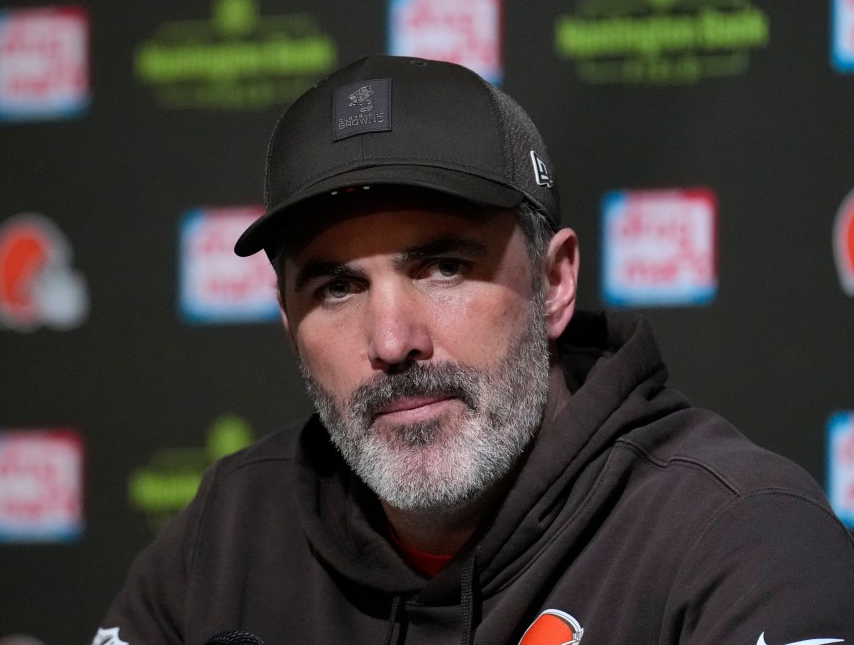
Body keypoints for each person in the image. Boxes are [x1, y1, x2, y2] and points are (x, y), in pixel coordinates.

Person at [94, 55, 854, 644]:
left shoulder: (736, 536)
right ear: (287, 321)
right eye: (336, 289)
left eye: (444, 267)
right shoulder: (227, 532)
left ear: (556, 284)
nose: (393, 342)